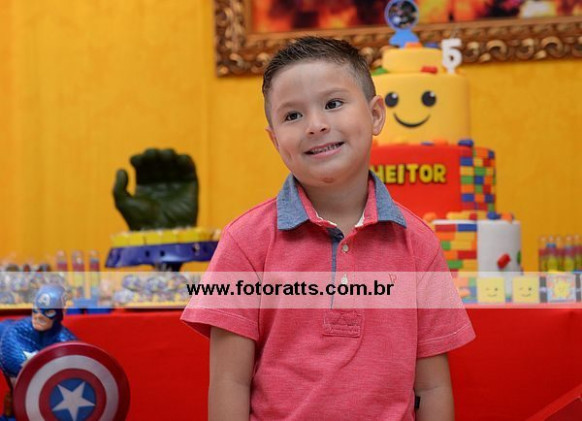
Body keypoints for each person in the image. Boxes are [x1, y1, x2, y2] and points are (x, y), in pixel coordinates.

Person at [181, 36, 475, 420]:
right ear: (275, 140)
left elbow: (432, 387)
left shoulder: (418, 243)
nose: (316, 126)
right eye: (292, 116)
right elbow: (228, 382)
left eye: (333, 104)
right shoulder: (244, 241)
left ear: (375, 115)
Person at [0, 284, 77, 419]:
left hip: (54, 409)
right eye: (36, 310)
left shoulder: (67, 341)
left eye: (48, 312)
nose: (39, 316)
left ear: (61, 312)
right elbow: (20, 375)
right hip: (20, 410)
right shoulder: (16, 333)